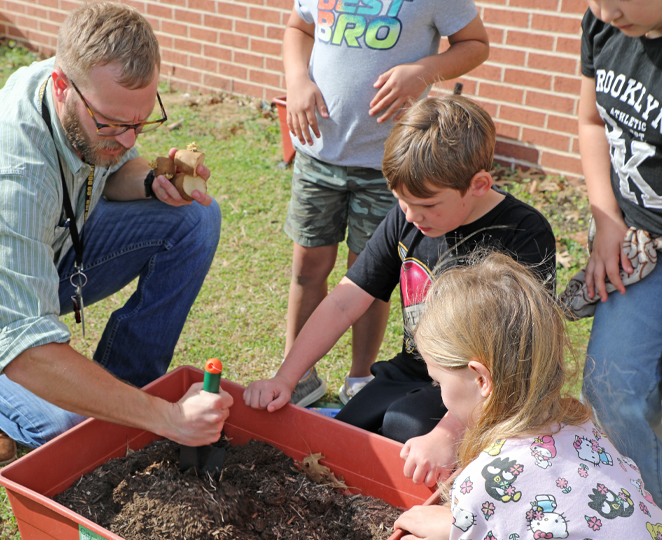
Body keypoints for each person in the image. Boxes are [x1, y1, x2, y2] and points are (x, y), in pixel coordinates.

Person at [0, 2, 232, 467]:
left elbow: (112, 170)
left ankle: (123, 395)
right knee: (66, 422)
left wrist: (151, 182)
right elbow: (25, 348)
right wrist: (170, 418)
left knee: (195, 219)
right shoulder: (14, 174)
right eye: (113, 124)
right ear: (61, 86)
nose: (131, 139)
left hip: (52, 249)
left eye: (140, 122)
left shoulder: (85, 90)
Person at [244, 95, 556, 487]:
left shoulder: (523, 232)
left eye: (425, 205)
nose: (410, 216)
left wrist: (446, 436)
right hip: (414, 370)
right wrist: (286, 377)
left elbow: (517, 356)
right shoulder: (410, 216)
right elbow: (344, 301)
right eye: (401, 202)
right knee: (345, 436)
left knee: (402, 431)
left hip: (483, 390)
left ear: (478, 185)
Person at [280, 0, 489, 406]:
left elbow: (476, 44)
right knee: (308, 268)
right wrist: (296, 79)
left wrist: (427, 70)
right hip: (317, 154)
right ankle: (300, 373)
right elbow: (298, 27)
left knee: (369, 277)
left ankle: (359, 378)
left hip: (387, 168)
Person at [393, 252, 662, 540]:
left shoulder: (485, 482)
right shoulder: (586, 432)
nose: (440, 393)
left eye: (438, 382)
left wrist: (456, 528)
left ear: (482, 379)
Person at [572, 0, 662, 506]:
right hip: (634, 246)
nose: (605, 10)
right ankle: (641, 515)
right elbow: (591, 121)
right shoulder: (601, 24)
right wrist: (607, 218)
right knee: (612, 392)